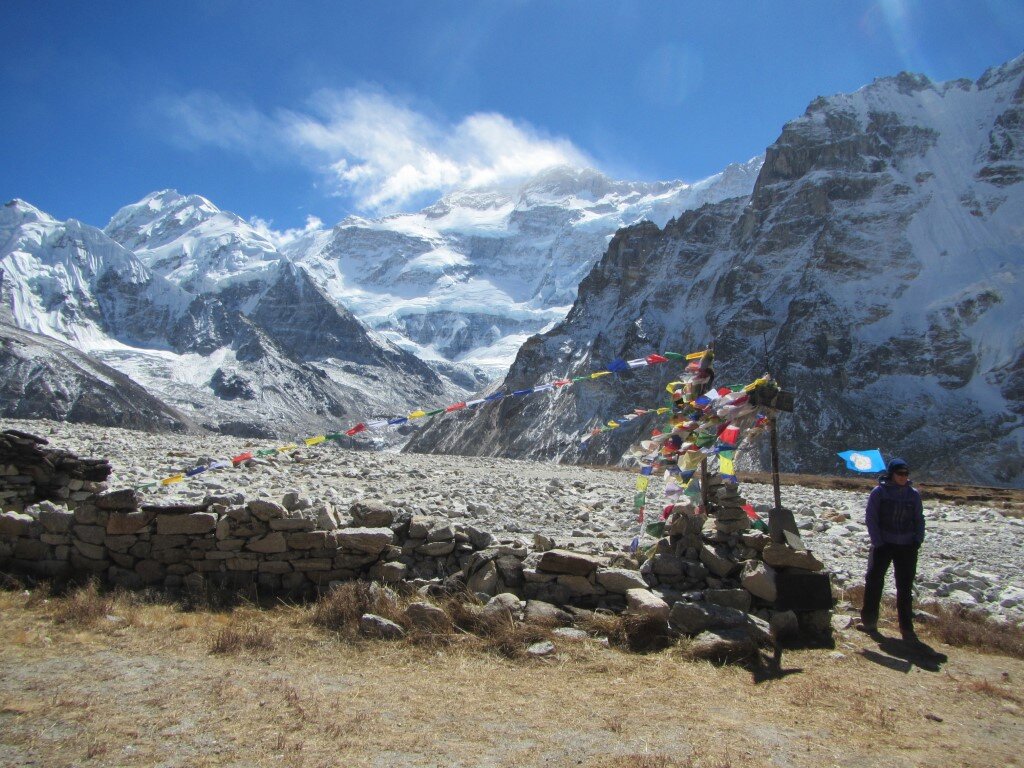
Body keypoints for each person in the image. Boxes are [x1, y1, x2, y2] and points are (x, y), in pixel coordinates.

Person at [858, 457, 926, 643]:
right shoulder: (879, 493)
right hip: (884, 544)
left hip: (907, 546)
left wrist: (917, 540)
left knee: (904, 587)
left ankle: (906, 627)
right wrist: (878, 542)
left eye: (906, 474)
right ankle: (869, 621)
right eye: (900, 473)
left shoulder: (913, 495)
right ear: (892, 474)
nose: (903, 477)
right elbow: (871, 517)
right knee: (874, 582)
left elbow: (919, 519)